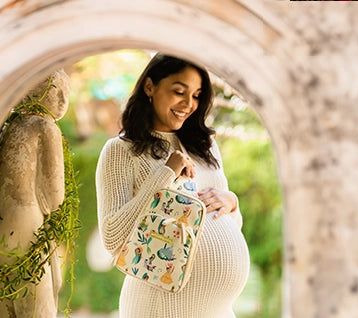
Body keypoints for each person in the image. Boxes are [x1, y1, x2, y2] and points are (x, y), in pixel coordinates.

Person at [96, 53, 250, 318]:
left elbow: (229, 223)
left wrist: (232, 202)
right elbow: (112, 238)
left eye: (196, 95)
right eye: (179, 91)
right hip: (159, 308)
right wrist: (166, 173)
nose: (188, 104)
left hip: (219, 311)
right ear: (150, 87)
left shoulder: (204, 147)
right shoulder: (120, 151)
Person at [0, 69, 70, 317]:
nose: (63, 101)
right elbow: (54, 195)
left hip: (4, 217)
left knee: (6, 298)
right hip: (28, 219)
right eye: (58, 93)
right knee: (36, 300)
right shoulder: (44, 126)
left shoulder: (8, 125)